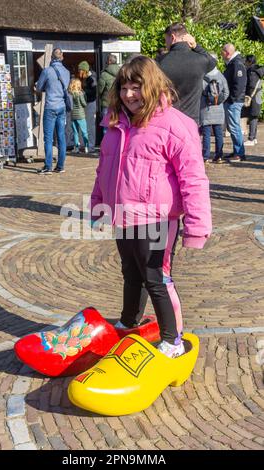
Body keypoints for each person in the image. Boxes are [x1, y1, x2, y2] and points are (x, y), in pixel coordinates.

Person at [90, 56, 212, 358]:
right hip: (124, 214)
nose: (129, 95)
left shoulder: (174, 124)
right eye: (125, 87)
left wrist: (197, 228)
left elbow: (193, 178)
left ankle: (173, 339)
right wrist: (98, 205)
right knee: (131, 272)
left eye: (137, 87)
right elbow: (104, 168)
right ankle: (128, 322)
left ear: (152, 86)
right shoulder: (116, 123)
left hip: (157, 218)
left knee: (156, 276)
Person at [159, 23, 216, 124]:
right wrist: (196, 45)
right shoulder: (200, 60)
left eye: (165, 39)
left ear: (172, 37)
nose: (165, 43)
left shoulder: (159, 62)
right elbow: (212, 62)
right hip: (191, 120)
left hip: (166, 119)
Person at [36, 48, 70, 174]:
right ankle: (60, 166)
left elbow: (39, 87)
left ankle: (48, 166)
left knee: (48, 138)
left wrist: (46, 86)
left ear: (51, 57)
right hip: (61, 106)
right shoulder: (66, 72)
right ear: (62, 57)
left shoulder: (47, 71)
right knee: (61, 137)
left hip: (50, 106)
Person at [200, 54, 229, 164]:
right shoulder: (221, 76)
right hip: (218, 108)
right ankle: (219, 156)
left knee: (206, 134)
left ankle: (206, 156)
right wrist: (219, 101)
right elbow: (226, 92)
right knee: (218, 133)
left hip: (205, 108)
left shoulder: (202, 76)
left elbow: (199, 92)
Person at [221, 43, 247, 162]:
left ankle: (239, 153)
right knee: (233, 127)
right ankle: (237, 151)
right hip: (233, 100)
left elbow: (239, 84)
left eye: (222, 52)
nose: (221, 54)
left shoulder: (237, 64)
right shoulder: (233, 64)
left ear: (227, 53)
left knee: (234, 127)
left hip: (234, 101)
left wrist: (231, 99)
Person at [243, 55, 264, 146]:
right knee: (254, 116)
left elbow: (251, 84)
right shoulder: (259, 70)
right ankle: (254, 137)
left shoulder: (251, 71)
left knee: (252, 116)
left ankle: (251, 138)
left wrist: (247, 95)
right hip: (258, 94)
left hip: (253, 95)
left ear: (249, 61)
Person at [98, 54, 120, 134]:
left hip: (107, 103)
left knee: (106, 126)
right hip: (119, 103)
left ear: (109, 61)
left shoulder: (104, 74)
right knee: (118, 125)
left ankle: (107, 145)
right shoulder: (122, 72)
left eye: (107, 60)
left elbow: (100, 90)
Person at [78, 61, 97, 153]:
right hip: (85, 104)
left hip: (90, 103)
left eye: (80, 71)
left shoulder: (92, 79)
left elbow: (94, 92)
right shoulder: (86, 78)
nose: (79, 73)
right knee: (83, 125)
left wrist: (83, 92)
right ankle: (83, 145)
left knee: (90, 125)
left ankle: (91, 146)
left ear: (85, 70)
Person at [68, 78, 89, 154]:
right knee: (84, 132)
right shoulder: (80, 94)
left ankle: (76, 148)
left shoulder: (70, 94)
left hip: (73, 115)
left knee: (75, 132)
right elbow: (84, 104)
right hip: (81, 115)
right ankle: (86, 147)